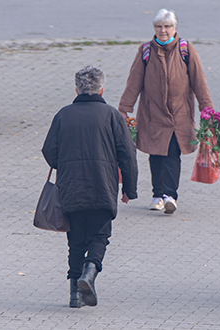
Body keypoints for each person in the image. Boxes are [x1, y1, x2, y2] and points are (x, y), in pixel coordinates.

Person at [42, 66, 138, 308]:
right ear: (102, 89)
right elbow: (127, 154)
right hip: (102, 186)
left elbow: (49, 151)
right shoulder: (112, 116)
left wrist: (63, 164)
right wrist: (129, 188)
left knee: (75, 240)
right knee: (100, 235)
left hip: (71, 187)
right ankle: (90, 270)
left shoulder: (64, 115)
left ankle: (75, 294)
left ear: (76, 89)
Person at [119, 8, 214, 214]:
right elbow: (134, 82)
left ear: (175, 28)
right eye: (159, 26)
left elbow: (199, 82)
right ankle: (157, 195)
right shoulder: (146, 51)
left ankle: (170, 195)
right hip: (153, 114)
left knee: (172, 153)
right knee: (156, 155)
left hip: (179, 114)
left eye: (167, 26)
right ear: (154, 28)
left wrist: (207, 110)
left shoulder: (186, 49)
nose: (163, 30)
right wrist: (125, 109)